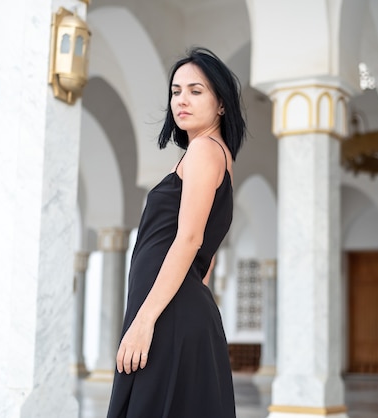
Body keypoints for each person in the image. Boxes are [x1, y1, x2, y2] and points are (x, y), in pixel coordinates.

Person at [106, 46, 246, 418]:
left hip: (167, 313)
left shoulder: (204, 150)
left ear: (221, 104)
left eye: (196, 91)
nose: (181, 100)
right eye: (176, 91)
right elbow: (207, 258)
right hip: (177, 307)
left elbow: (190, 239)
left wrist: (145, 320)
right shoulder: (213, 154)